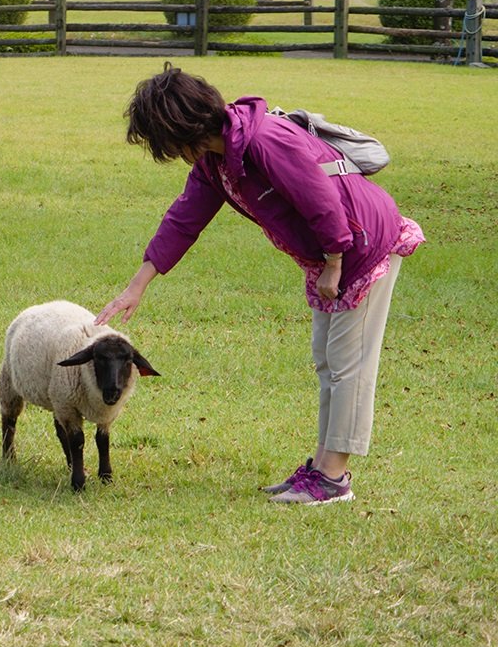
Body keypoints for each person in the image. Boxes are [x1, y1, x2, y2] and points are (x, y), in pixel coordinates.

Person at [95, 64, 423, 505]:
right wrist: (138, 285)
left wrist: (334, 262)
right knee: (327, 361)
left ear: (179, 128)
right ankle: (323, 466)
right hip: (334, 251)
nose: (167, 152)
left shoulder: (265, 140)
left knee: (349, 366)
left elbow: (321, 200)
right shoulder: (217, 160)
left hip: (359, 244)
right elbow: (184, 219)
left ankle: (333, 480)